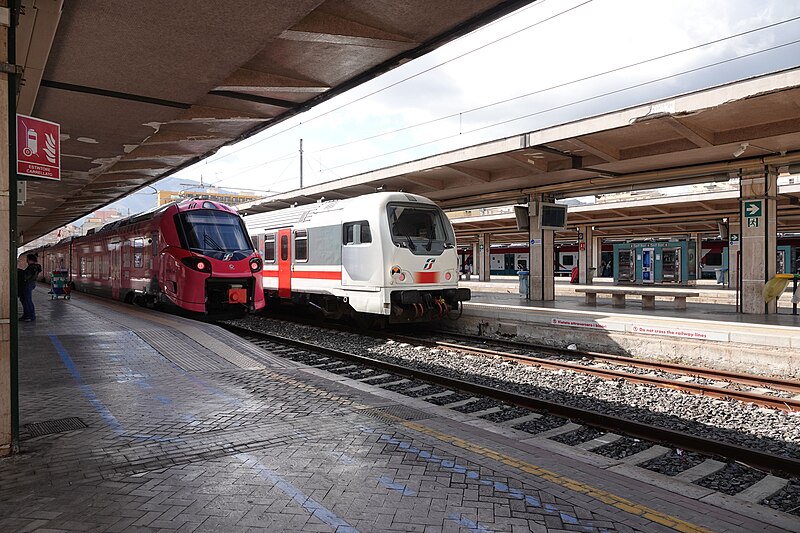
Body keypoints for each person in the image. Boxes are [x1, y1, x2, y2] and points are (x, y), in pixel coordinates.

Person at [18, 253, 42, 322]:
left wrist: (21, 272)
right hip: (30, 284)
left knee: (27, 300)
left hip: (28, 285)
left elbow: (26, 276)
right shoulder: (35, 267)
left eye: (27, 259)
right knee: (25, 300)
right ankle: (27, 315)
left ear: (30, 260)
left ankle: (31, 316)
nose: (26, 261)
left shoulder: (32, 267)